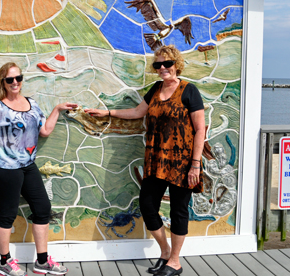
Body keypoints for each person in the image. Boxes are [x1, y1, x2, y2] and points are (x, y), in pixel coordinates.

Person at [86, 45, 205, 276]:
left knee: (179, 211)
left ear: (176, 65)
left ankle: (175, 262)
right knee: (148, 206)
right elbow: (137, 113)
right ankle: (165, 252)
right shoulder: (155, 89)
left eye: (167, 64)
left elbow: (200, 129)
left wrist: (196, 164)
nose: (162, 68)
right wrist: (107, 113)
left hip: (182, 163)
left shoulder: (189, 91)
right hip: (156, 161)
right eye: (158, 64)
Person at [0, 62, 77, 276]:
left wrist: (57, 109)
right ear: (3, 82)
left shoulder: (32, 104)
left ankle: (42, 262)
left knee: (43, 209)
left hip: (27, 165)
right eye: (10, 79)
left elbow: (44, 131)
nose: (15, 82)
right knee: (8, 213)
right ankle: (4, 262)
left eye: (18, 78)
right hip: (5, 166)